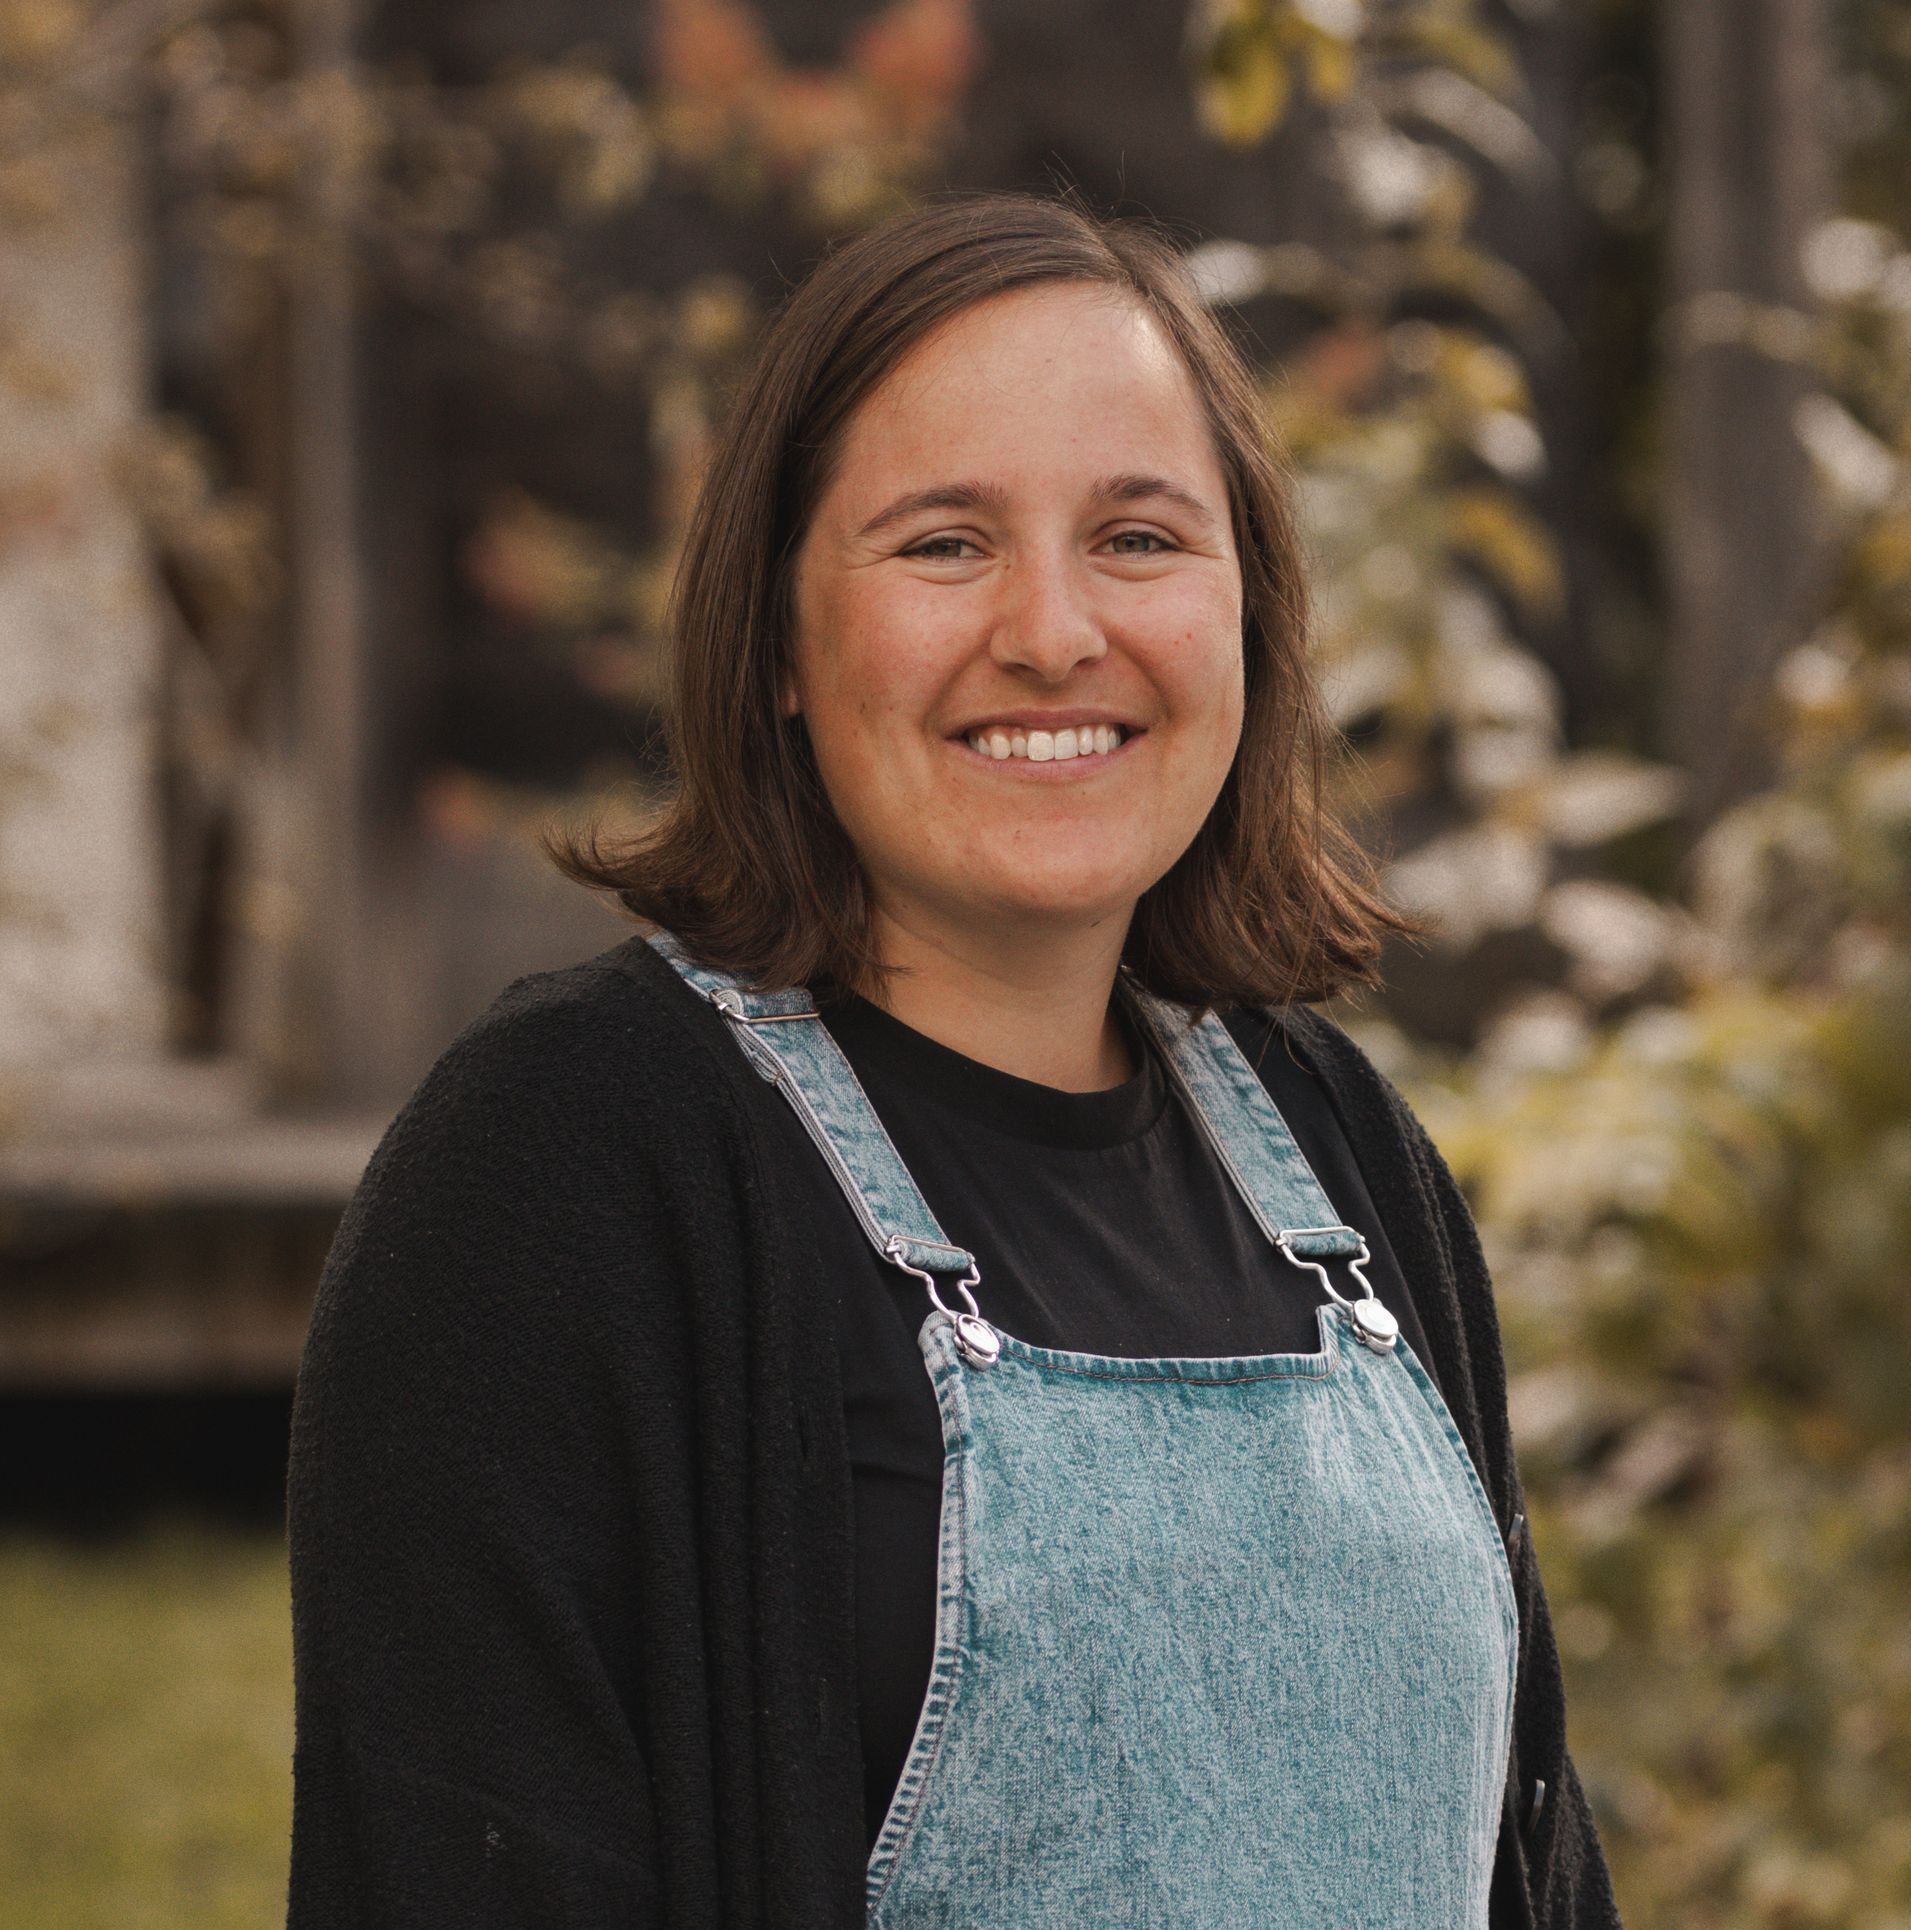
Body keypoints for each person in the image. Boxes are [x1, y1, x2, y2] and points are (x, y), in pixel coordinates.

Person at [285, 189, 1623, 1929]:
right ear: (775, 639)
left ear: (1249, 614)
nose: (1054, 630)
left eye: (1140, 538)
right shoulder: (561, 1174)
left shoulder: (1346, 1154)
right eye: (942, 544)